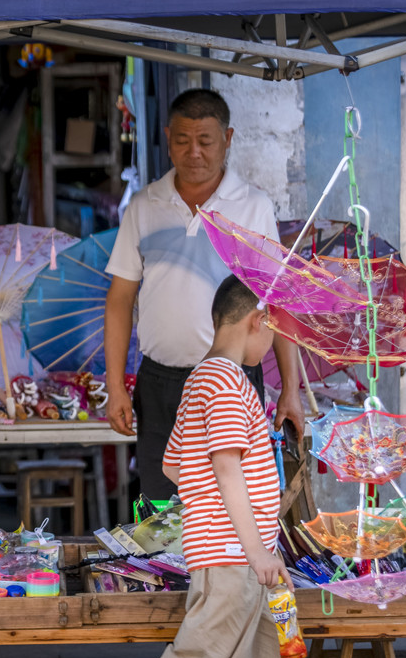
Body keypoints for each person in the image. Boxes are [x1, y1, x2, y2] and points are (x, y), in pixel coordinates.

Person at [82, 276, 339, 658]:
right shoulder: (223, 381)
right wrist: (255, 547)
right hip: (236, 558)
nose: (272, 346)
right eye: (273, 331)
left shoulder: (212, 380)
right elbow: (223, 468)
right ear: (256, 320)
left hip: (253, 557)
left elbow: (178, 467)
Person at [103, 89, 304, 502]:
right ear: (167, 137)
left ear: (227, 139)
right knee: (161, 506)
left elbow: (276, 302)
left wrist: (290, 389)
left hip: (234, 382)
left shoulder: (253, 207)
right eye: (182, 140)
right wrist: (115, 386)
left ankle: (224, 569)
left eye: (206, 141)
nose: (193, 152)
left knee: (230, 504)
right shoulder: (143, 206)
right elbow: (120, 299)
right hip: (159, 382)